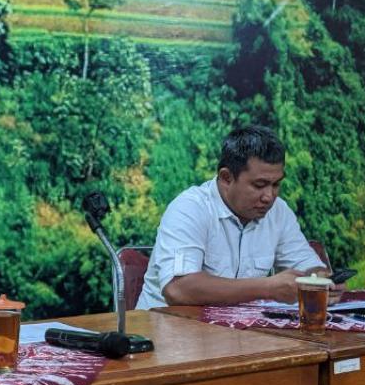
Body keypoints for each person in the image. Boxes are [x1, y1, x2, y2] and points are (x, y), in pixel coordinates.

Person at [136, 124, 331, 309]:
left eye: (276, 184)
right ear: (226, 178)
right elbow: (178, 289)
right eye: (259, 185)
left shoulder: (278, 211)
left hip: (234, 330)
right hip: (165, 328)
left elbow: (309, 268)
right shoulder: (189, 208)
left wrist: (320, 280)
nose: (269, 196)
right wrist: (267, 288)